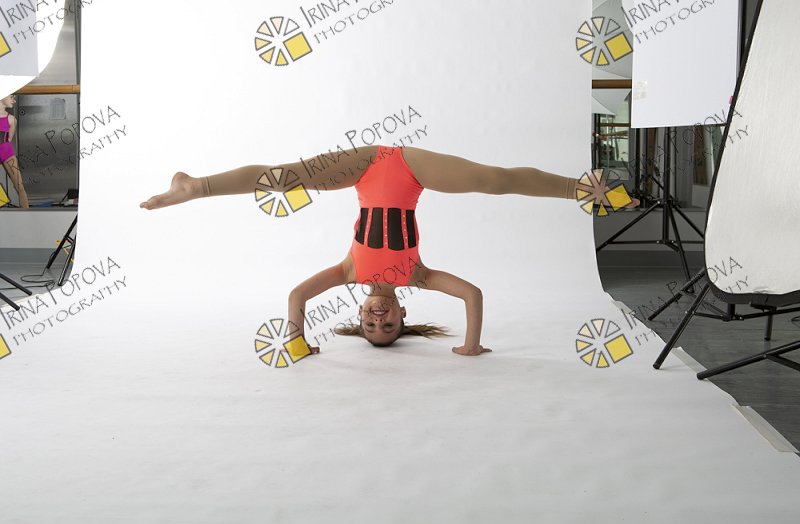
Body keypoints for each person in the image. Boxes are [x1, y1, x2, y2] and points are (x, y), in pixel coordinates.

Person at [140, 144, 637, 356]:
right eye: (390, 326)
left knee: (287, 178)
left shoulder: (348, 271)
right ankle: (586, 189)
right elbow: (472, 294)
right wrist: (470, 345)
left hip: (362, 166)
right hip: (411, 170)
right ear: (402, 314)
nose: (379, 320)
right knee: (492, 180)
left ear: (360, 314)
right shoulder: (416, 275)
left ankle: (194, 186)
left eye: (370, 325)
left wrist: (296, 342)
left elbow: (296, 296)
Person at [0, 94, 30, 209]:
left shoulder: (12, 119)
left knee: (19, 185)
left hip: (6, 153)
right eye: (11, 97)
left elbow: (8, 139)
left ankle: (27, 213)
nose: (14, 101)